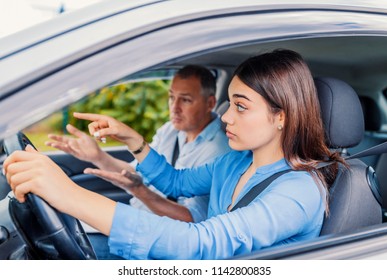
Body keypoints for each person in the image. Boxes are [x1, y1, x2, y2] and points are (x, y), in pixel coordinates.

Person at [4, 49, 344, 260]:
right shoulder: (235, 162)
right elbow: (174, 180)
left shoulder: (299, 191)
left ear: (282, 116)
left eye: (240, 107)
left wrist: (69, 195)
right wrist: (134, 139)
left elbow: (201, 244)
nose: (225, 116)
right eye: (229, 104)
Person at [45, 65, 230, 223]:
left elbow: (192, 219)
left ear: (210, 103)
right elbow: (137, 173)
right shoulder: (170, 130)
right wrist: (98, 156)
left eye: (186, 100)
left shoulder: (218, 151)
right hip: (138, 222)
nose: (174, 108)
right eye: (172, 97)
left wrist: (139, 191)